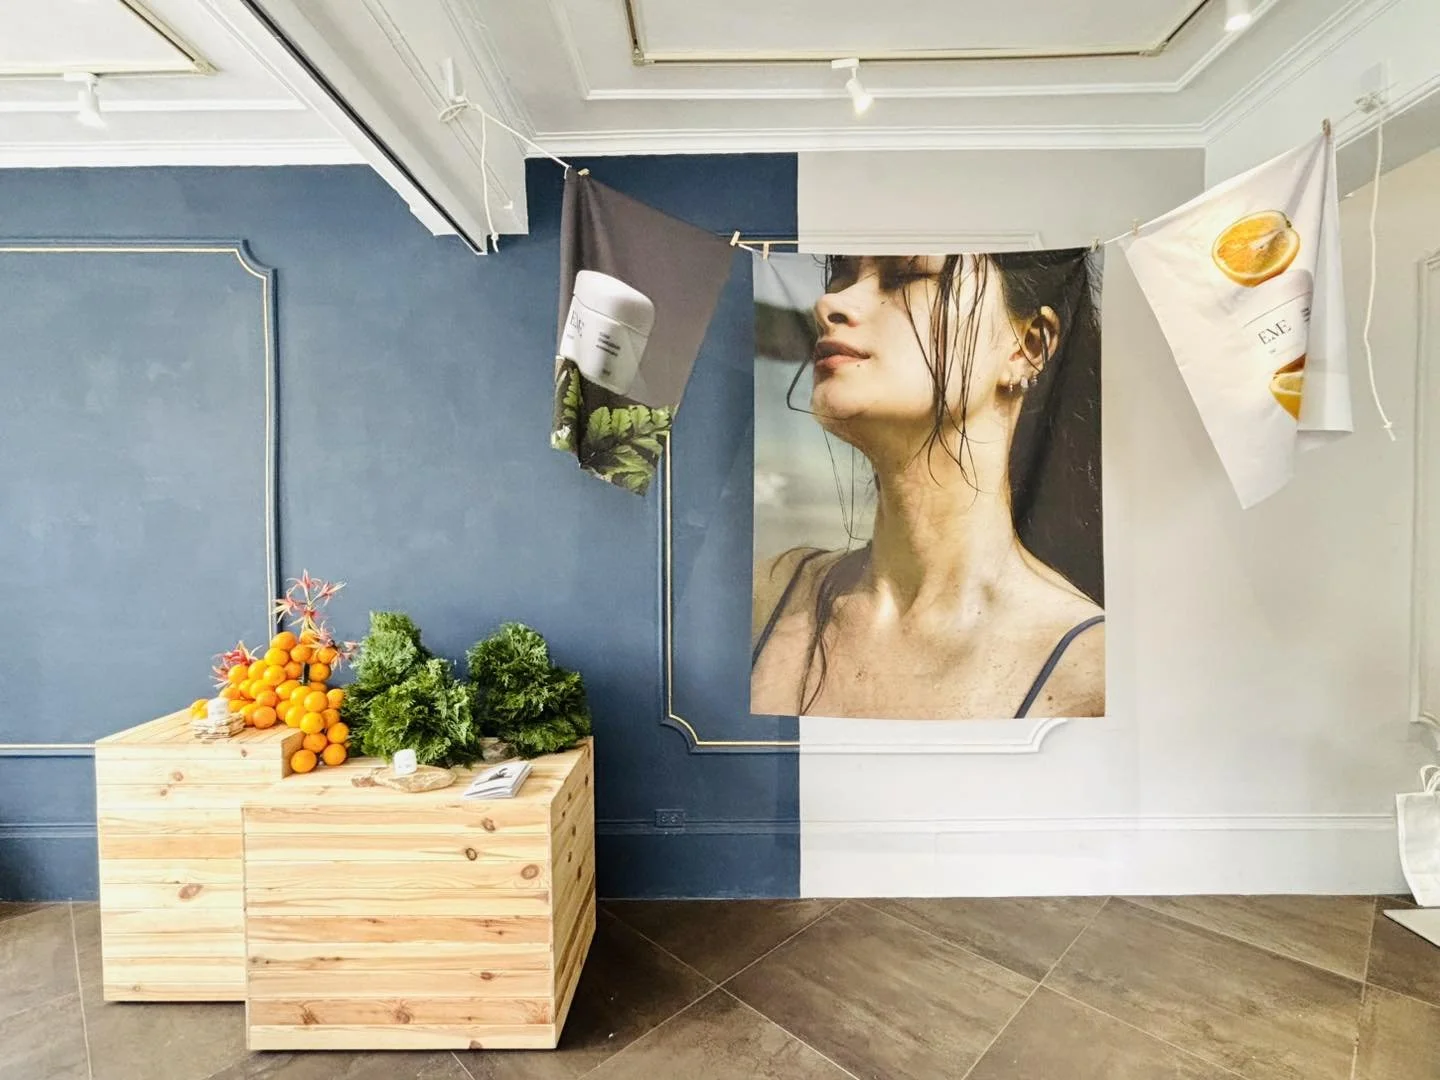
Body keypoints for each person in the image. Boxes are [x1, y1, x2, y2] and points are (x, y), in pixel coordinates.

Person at [751, 252, 1104, 720]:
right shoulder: (761, 599)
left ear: (1027, 346)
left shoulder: (1094, 677)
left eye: (906, 276)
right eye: (841, 274)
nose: (829, 303)